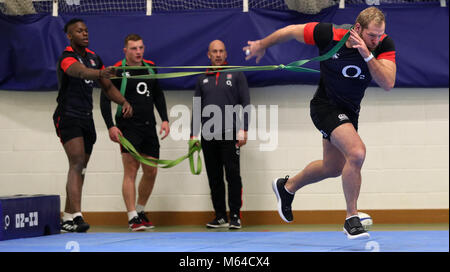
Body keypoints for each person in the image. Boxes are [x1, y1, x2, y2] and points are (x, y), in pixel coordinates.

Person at [244, 7, 396, 239]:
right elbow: (291, 31)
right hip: (324, 106)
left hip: (349, 112)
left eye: (379, 35)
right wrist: (262, 45)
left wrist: (367, 53)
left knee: (333, 167)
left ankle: (287, 187)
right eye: (371, 35)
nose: (377, 40)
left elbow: (387, 82)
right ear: (357, 29)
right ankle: (351, 218)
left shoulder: (383, 45)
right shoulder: (329, 34)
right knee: (357, 153)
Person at [53, 18, 133, 233]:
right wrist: (99, 73)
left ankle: (68, 217)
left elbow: (107, 87)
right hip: (68, 116)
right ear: (70, 36)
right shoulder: (67, 57)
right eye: (79, 31)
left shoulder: (94, 58)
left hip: (86, 118)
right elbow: (79, 72)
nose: (85, 34)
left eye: (86, 30)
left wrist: (123, 101)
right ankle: (78, 215)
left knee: (81, 168)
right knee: (77, 161)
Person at [100, 34, 170, 231]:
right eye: (133, 48)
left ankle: (140, 211)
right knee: (131, 170)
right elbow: (105, 99)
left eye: (140, 48)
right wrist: (110, 126)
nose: (138, 52)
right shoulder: (116, 70)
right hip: (128, 126)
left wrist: (164, 119)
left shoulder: (150, 67)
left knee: (152, 170)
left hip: (149, 126)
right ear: (125, 51)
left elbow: (157, 93)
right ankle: (131, 217)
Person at [191, 40, 250, 229]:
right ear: (209, 55)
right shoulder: (202, 78)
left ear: (226, 54)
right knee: (214, 177)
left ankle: (234, 215)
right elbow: (196, 107)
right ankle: (220, 216)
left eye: (221, 51)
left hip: (230, 133)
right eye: (214, 52)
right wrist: (193, 134)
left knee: (232, 175)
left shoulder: (237, 74)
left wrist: (244, 129)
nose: (218, 55)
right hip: (208, 136)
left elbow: (246, 103)